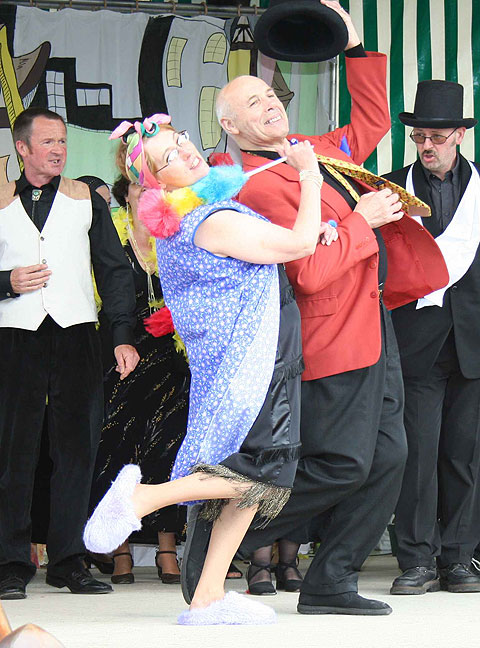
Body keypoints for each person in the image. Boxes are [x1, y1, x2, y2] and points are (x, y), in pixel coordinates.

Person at [182, 0, 449, 617]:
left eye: (270, 95)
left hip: (375, 327)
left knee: (391, 458)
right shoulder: (254, 185)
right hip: (330, 339)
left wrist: (353, 45)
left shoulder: (310, 151)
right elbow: (308, 271)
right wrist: (361, 221)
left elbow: (373, 120)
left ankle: (330, 581)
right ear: (232, 127)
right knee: (342, 465)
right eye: (253, 103)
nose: (270, 104)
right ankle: (221, 537)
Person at [83, 112, 338, 625]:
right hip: (250, 364)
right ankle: (144, 496)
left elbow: (272, 244)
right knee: (264, 474)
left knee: (243, 480)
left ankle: (208, 596)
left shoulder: (194, 217)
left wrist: (314, 223)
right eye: (169, 157)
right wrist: (309, 175)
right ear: (156, 182)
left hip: (248, 360)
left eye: (181, 141)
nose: (186, 151)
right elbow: (297, 246)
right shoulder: (210, 220)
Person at [0, 107, 139, 600]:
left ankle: (68, 560)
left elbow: (114, 270)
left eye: (62, 141)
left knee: (77, 451)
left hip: (77, 335)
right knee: (12, 453)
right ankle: (10, 562)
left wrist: (121, 334)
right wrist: (6, 281)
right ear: (22, 148)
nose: (58, 149)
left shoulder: (85, 200)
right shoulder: (0, 198)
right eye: (48, 142)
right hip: (14, 337)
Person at [384, 80, 480, 595]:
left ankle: (459, 559)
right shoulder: (387, 190)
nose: (426, 145)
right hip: (415, 341)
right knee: (417, 455)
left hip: (474, 340)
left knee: (464, 456)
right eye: (419, 136)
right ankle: (416, 559)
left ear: (460, 134)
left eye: (437, 137)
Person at [88, 174, 190, 585]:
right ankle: (120, 548)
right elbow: (100, 294)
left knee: (167, 446)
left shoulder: (177, 235)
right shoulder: (109, 233)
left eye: (154, 188)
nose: (148, 193)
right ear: (125, 193)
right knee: (116, 445)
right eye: (139, 186)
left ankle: (167, 547)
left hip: (171, 356)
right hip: (121, 351)